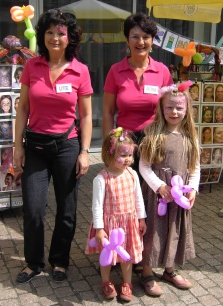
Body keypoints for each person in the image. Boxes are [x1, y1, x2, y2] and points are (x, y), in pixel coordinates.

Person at [14, 9, 92, 284]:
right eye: (49, 32)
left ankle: (59, 260)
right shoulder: (32, 66)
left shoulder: (80, 70)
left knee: (67, 209)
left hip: (67, 146)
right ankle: (33, 262)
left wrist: (84, 151)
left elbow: (85, 115)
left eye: (61, 32)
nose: (55, 37)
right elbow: (22, 107)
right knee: (34, 208)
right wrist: (17, 147)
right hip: (35, 145)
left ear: (70, 37)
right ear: (43, 35)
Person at [138, 81, 200, 297]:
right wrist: (159, 186)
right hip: (158, 195)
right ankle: (146, 273)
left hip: (180, 196)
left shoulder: (190, 136)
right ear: (161, 109)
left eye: (179, 107)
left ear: (186, 110)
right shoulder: (153, 134)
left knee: (174, 231)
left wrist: (192, 187)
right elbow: (144, 166)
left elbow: (195, 166)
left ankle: (169, 270)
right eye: (169, 107)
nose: (174, 111)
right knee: (154, 233)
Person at [102, 13, 173, 176]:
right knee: (126, 191)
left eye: (146, 37)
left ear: (152, 40)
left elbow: (170, 110)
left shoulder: (162, 71)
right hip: (125, 143)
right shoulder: (115, 71)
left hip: (154, 141)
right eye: (135, 37)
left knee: (153, 193)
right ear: (127, 40)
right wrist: (109, 146)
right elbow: (107, 112)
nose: (140, 42)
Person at [85, 127, 147, 302]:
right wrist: (99, 228)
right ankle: (106, 281)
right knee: (107, 256)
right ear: (109, 154)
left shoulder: (133, 174)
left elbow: (138, 199)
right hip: (109, 226)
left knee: (127, 256)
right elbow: (96, 206)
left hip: (129, 223)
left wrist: (142, 218)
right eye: (123, 155)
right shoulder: (101, 178)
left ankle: (127, 284)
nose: (128, 160)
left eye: (130, 155)